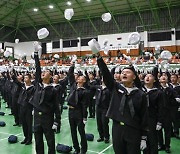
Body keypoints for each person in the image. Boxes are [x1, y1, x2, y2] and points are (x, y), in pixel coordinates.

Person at [96, 53, 148, 154]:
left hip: (133, 129)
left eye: (127, 72)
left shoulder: (140, 94)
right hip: (117, 128)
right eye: (122, 72)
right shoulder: (115, 87)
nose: (124, 74)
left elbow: (144, 116)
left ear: (134, 77)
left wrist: (144, 137)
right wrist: (99, 58)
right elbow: (106, 74)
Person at [30, 52, 61, 154]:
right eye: (43, 71)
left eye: (46, 71)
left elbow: (57, 106)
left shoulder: (53, 90)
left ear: (50, 76)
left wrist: (57, 121)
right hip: (37, 119)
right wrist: (35, 55)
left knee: (50, 141)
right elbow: (38, 69)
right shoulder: (38, 85)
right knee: (38, 141)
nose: (43, 72)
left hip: (47, 118)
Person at [67, 64, 88, 154]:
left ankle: (83, 149)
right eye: (79, 77)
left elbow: (84, 105)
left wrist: (84, 117)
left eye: (82, 78)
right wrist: (73, 64)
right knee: (73, 131)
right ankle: (76, 148)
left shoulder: (84, 91)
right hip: (70, 111)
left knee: (81, 132)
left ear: (84, 81)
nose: (79, 78)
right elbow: (70, 74)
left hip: (78, 112)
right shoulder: (73, 85)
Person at [142, 67, 163, 154]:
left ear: (154, 80)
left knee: (152, 141)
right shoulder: (140, 90)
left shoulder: (158, 92)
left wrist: (159, 122)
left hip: (152, 119)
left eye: (150, 76)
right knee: (143, 142)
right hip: (141, 119)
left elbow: (161, 108)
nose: (147, 77)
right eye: (146, 76)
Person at [17, 73, 34, 145]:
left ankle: (29, 139)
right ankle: (26, 137)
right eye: (24, 78)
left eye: (26, 78)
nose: (25, 79)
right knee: (24, 123)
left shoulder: (33, 88)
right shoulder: (23, 86)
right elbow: (16, 81)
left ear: (30, 79)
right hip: (22, 107)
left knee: (29, 124)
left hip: (29, 108)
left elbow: (33, 99)